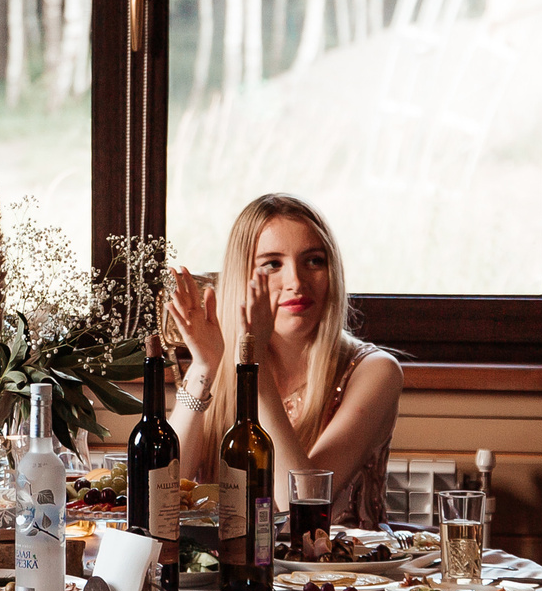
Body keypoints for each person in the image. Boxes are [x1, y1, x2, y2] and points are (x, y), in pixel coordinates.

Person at [163, 193, 403, 529]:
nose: (296, 282)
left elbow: (300, 511)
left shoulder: (375, 371)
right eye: (273, 264)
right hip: (223, 562)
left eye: (314, 261)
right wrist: (204, 365)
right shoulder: (218, 362)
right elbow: (163, 495)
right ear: (241, 277)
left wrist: (254, 367)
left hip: (339, 563)